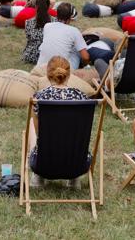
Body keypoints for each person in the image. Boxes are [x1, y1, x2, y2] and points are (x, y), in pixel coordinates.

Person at [27, 55, 91, 189]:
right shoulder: (82, 97)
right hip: (78, 164)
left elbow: (39, 132)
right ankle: (74, 179)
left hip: (43, 164)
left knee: (32, 127)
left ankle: (38, 178)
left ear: (47, 75)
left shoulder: (39, 98)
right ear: (69, 75)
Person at [36, 4, 90, 69]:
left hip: (41, 66)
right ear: (70, 17)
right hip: (61, 70)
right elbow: (85, 57)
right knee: (76, 49)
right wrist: (85, 64)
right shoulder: (74, 31)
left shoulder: (47, 26)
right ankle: (84, 68)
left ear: (57, 14)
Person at [22, 0, 55, 64]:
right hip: (48, 56)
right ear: (49, 6)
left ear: (35, 6)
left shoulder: (28, 22)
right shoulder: (55, 21)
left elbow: (29, 39)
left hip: (30, 55)